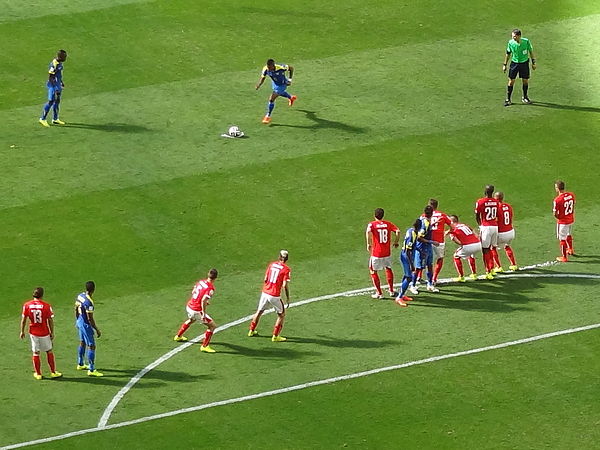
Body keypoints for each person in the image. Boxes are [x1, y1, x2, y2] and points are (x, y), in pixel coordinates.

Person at [248, 250, 291, 342]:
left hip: (265, 292)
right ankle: (275, 336)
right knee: (281, 315)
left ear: (279, 257)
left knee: (259, 311)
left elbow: (265, 279)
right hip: (274, 295)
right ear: (287, 258)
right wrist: (287, 297)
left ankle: (251, 330)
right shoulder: (286, 269)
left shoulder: (271, 265)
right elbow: (284, 285)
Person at [20, 287, 62, 380]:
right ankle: (53, 372)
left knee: (36, 352)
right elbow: (50, 320)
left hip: (33, 333)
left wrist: (22, 331)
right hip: (44, 332)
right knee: (49, 351)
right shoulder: (46, 306)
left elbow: (23, 320)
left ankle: (38, 374)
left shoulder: (27, 305)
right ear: (42, 295)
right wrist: (52, 332)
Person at [174, 269, 219, 353]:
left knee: (191, 320)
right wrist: (204, 313)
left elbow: (194, 291)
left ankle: (178, 336)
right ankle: (204, 346)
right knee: (212, 326)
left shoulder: (201, 282)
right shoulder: (210, 288)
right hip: (196, 310)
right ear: (216, 278)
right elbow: (203, 301)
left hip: (189, 306)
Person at [366, 208, 400, 299]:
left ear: (374, 215)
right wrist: (396, 242)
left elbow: (368, 231)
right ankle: (392, 290)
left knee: (373, 271)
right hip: (387, 252)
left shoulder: (372, 224)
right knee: (388, 269)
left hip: (376, 253)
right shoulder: (388, 224)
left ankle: (379, 293)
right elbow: (398, 231)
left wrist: (369, 244)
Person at [75, 281, 103, 376]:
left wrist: (77, 320)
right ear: (93, 290)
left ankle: (80, 363)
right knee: (91, 346)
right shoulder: (89, 302)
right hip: (85, 324)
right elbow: (90, 318)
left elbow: (75, 308)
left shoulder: (80, 296)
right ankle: (91, 369)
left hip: (79, 321)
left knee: (82, 342)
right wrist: (96, 329)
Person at [256, 59, 297, 124]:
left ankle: (267, 116)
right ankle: (291, 97)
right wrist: (259, 84)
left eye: (270, 67)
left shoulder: (281, 67)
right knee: (279, 93)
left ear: (273, 65)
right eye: (268, 67)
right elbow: (263, 77)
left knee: (271, 99)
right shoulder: (265, 69)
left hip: (283, 84)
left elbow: (291, 68)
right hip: (275, 83)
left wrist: (290, 80)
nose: (269, 69)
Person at [410, 205, 439, 294]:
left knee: (429, 265)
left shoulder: (426, 221)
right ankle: (413, 286)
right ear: (432, 213)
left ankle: (430, 284)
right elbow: (419, 237)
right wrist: (432, 242)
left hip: (427, 247)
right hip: (422, 248)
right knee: (418, 268)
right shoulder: (425, 224)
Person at [503, 29, 536, 106]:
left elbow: (531, 51)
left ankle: (525, 97)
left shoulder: (526, 42)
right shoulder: (510, 43)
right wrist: (505, 65)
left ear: (519, 36)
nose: (513, 38)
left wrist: (533, 62)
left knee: (525, 80)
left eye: (514, 36)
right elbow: (508, 54)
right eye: (512, 36)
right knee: (511, 81)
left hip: (524, 63)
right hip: (514, 64)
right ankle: (508, 99)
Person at [475, 184, 500, 279]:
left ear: (485, 191)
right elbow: (497, 214)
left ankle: (488, 271)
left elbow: (477, 215)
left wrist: (480, 226)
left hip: (486, 227)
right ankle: (492, 268)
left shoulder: (480, 201)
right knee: (492, 248)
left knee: (485, 249)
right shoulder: (496, 202)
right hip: (495, 226)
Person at [394, 220, 421, 306]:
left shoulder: (410, 230)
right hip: (406, 257)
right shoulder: (413, 235)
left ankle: (402, 294)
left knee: (406, 275)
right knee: (409, 277)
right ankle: (399, 297)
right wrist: (412, 265)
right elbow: (408, 251)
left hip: (406, 255)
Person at [448, 216, 481, 282]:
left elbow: (453, 239)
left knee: (456, 256)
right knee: (471, 255)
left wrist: (462, 243)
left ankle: (461, 277)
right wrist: (476, 239)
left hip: (468, 246)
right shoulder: (464, 225)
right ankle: (474, 274)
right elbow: (473, 231)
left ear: (451, 221)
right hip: (478, 244)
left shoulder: (453, 228)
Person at [39, 49, 68, 127]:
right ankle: (42, 119)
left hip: (58, 85)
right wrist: (55, 88)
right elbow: (50, 77)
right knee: (51, 101)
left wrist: (61, 82)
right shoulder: (54, 64)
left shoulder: (60, 63)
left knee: (57, 101)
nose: (66, 58)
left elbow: (58, 75)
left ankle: (55, 119)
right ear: (60, 57)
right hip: (53, 86)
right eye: (65, 56)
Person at [491, 192, 518, 271]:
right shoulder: (508, 206)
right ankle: (513, 264)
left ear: (495, 198)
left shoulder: (496, 208)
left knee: (493, 247)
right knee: (507, 246)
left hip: (501, 233)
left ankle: (498, 267)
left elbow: (495, 220)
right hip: (510, 231)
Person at [428, 199, 452, 286]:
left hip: (428, 240)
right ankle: (434, 278)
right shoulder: (442, 215)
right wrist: (448, 231)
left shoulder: (425, 215)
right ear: (437, 206)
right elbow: (452, 225)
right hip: (439, 241)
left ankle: (419, 277)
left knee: (425, 260)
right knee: (440, 258)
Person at [553, 180, 576, 262]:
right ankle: (570, 249)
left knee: (562, 239)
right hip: (571, 219)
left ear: (557, 188)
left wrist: (559, 217)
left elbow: (555, 213)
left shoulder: (557, 200)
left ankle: (564, 257)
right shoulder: (571, 195)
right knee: (569, 234)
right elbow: (573, 206)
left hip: (563, 222)